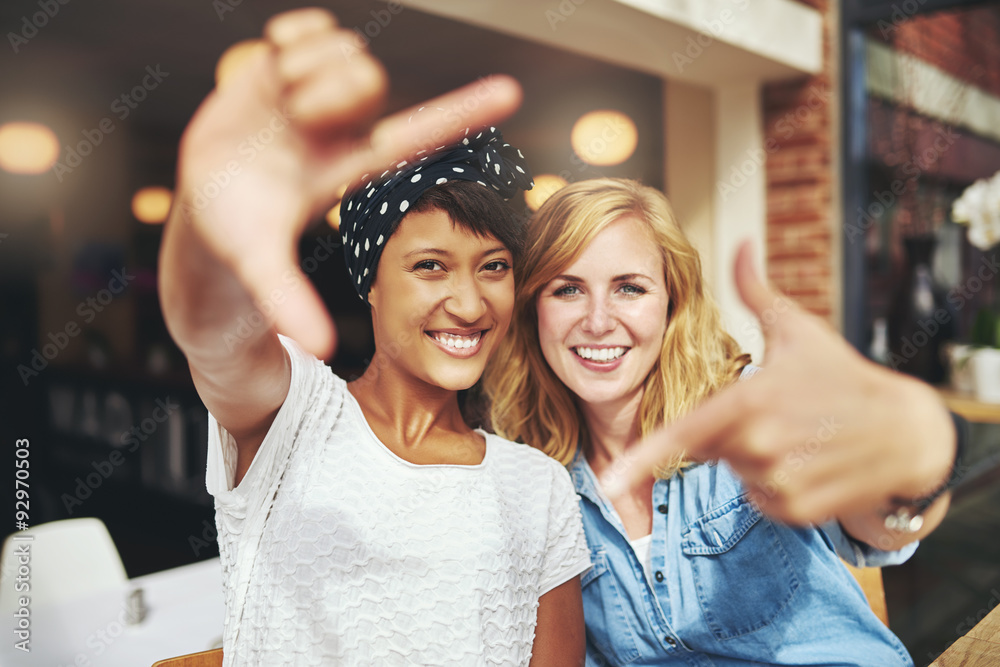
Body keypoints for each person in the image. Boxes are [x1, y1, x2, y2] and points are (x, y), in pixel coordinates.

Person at [159, 8, 589, 665]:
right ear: (372, 284)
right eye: (429, 266)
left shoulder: (537, 484)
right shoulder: (295, 417)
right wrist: (205, 223)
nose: (470, 303)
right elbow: (213, 336)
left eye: (494, 267)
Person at [485, 178, 964, 666]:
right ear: (532, 309)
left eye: (629, 287)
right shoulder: (532, 477)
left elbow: (884, 531)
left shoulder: (753, 410)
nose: (598, 320)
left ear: (672, 301)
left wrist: (918, 445)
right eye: (567, 289)